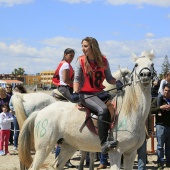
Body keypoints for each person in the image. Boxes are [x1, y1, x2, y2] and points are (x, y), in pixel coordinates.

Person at [72, 37, 122, 154]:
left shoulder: (104, 60)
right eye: (82, 46)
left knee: (119, 105)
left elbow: (109, 78)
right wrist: (75, 92)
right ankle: (103, 143)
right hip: (86, 94)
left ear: (93, 47)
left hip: (100, 93)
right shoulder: (81, 61)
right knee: (103, 109)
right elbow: (77, 79)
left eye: (85, 46)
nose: (82, 49)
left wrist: (117, 82)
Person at [52, 48, 76, 168]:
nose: (71, 57)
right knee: (77, 104)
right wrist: (77, 83)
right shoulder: (66, 65)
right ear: (65, 55)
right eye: (70, 55)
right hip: (65, 88)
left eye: (73, 56)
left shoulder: (64, 63)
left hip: (65, 87)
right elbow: (66, 80)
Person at [150, 83, 170, 169]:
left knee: (169, 147)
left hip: (169, 126)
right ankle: (160, 163)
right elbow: (151, 110)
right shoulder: (158, 99)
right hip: (160, 125)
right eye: (165, 90)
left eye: (169, 91)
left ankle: (168, 163)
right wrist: (160, 108)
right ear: (163, 90)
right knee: (160, 146)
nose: (166, 92)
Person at [9, 84, 27, 151]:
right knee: (16, 131)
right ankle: (15, 145)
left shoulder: (25, 96)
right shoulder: (13, 97)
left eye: (17, 90)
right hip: (16, 116)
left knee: (24, 131)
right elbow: (10, 104)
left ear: (20, 90)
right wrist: (12, 109)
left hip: (24, 116)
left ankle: (24, 146)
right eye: (15, 90)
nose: (15, 91)